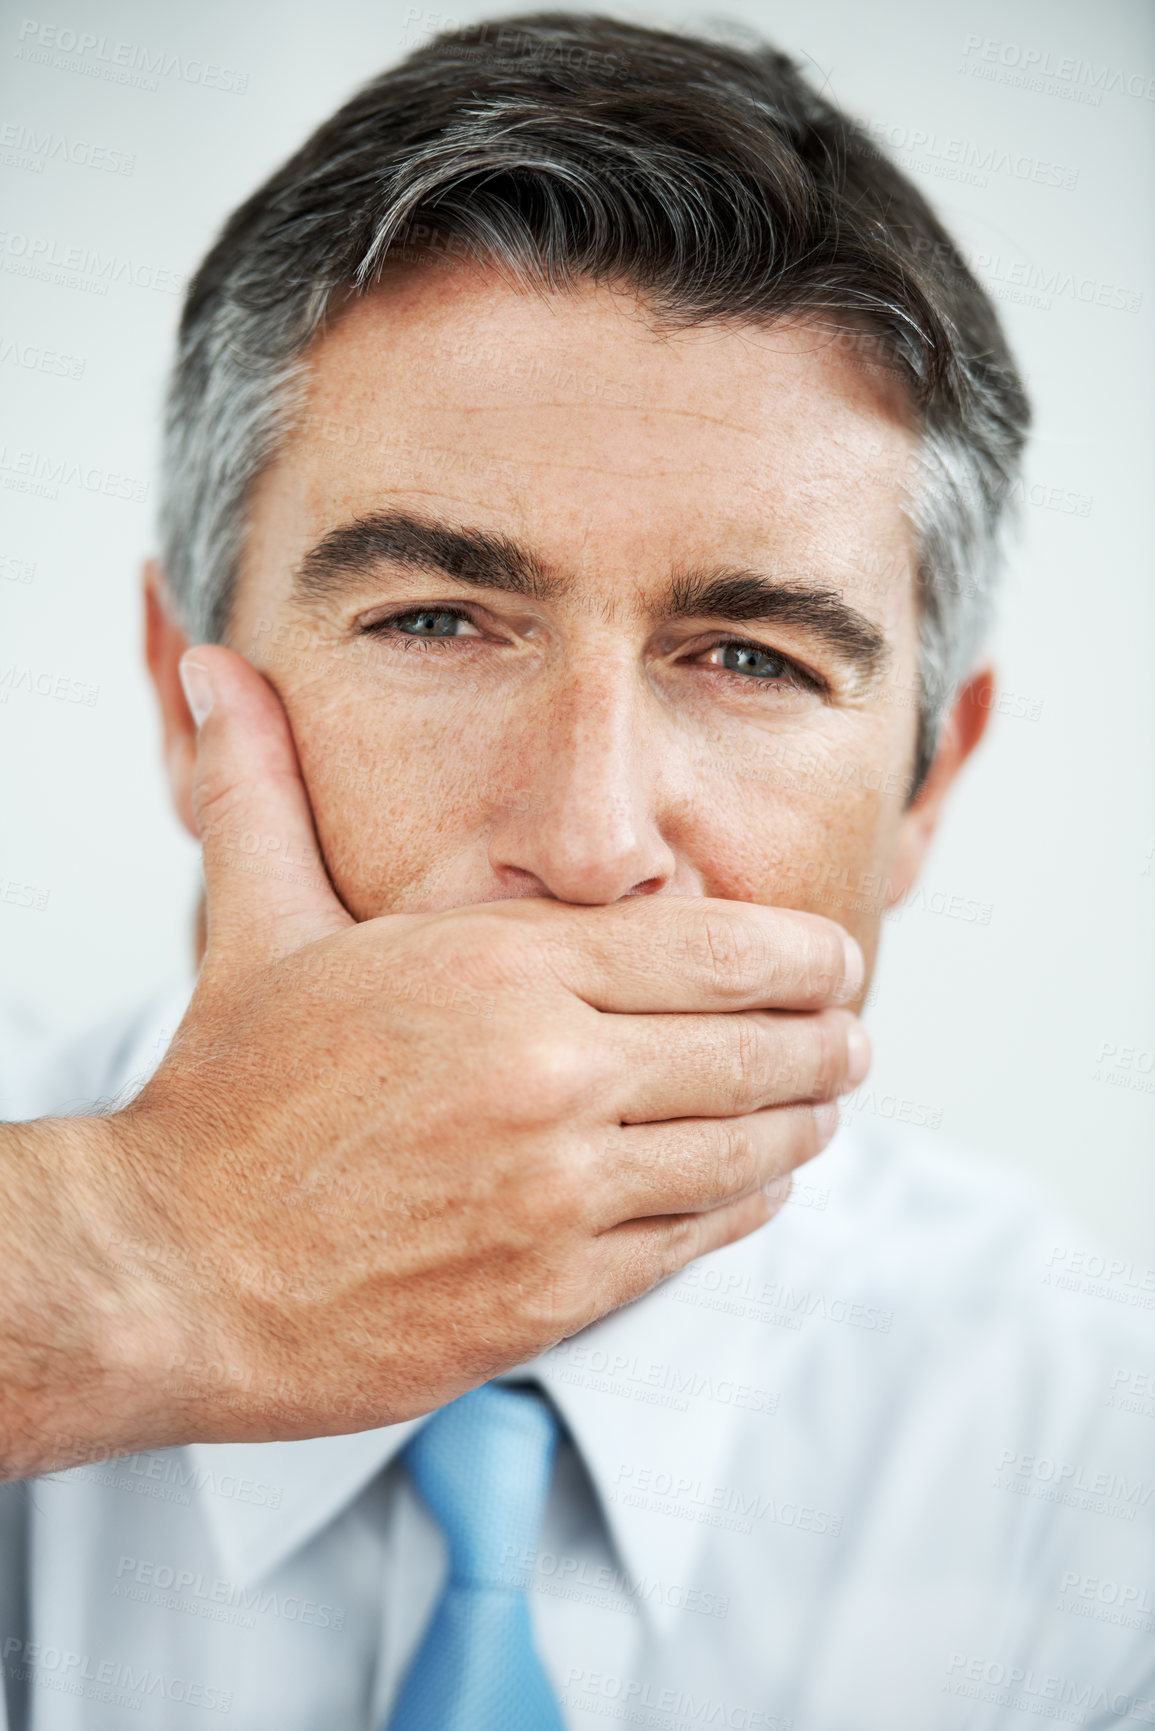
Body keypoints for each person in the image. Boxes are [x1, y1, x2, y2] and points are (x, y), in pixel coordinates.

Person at [1, 12, 1151, 1727]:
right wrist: (148, 1259)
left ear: (930, 784)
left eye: (754, 656)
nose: (593, 838)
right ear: (189, 699)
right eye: (438, 619)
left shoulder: (1083, 1437)